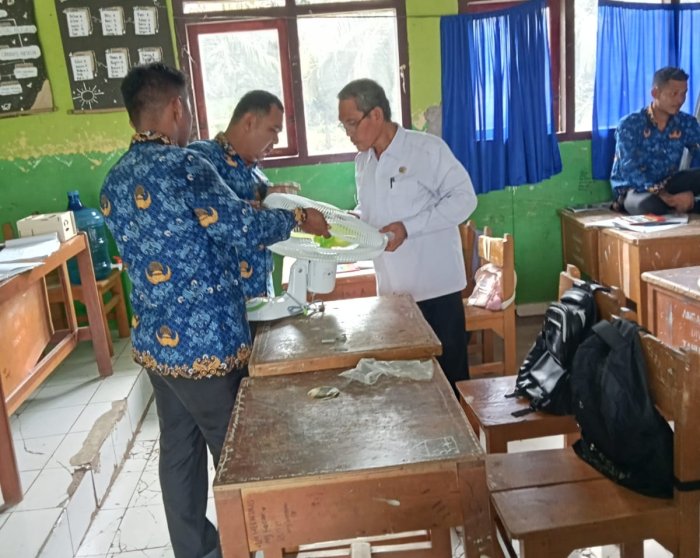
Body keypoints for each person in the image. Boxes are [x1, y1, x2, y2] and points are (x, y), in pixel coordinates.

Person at [100, 63, 329, 558]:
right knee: (238, 454)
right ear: (176, 109)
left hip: (157, 347)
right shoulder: (187, 166)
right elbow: (239, 228)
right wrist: (297, 218)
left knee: (178, 453)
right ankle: (256, 545)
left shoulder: (114, 180)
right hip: (206, 349)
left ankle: (197, 551)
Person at [337, 78, 478, 395]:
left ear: (375, 115)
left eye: (352, 123)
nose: (348, 133)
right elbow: (373, 211)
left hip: (435, 290)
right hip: (392, 293)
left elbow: (464, 200)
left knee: (449, 382)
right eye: (343, 125)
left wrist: (409, 227)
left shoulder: (426, 150)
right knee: (408, 384)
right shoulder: (363, 162)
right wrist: (351, 220)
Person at [189, 90, 284, 300]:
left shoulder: (255, 172)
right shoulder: (201, 158)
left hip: (261, 295)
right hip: (222, 301)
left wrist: (275, 199)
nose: (276, 140)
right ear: (249, 122)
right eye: (273, 130)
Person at [610, 66, 700, 215]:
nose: (680, 100)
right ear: (655, 93)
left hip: (668, 182)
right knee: (648, 206)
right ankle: (683, 205)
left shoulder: (685, 122)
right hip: (636, 190)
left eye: (684, 94)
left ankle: (684, 204)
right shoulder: (630, 125)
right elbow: (630, 172)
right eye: (674, 94)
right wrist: (669, 199)